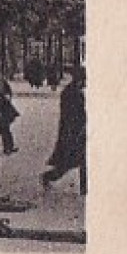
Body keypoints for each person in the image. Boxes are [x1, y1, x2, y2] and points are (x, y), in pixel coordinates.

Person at [42, 66, 85, 194]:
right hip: (72, 131)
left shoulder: (74, 91)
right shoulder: (71, 92)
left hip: (78, 130)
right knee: (70, 161)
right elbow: (70, 115)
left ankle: (84, 188)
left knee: (81, 160)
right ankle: (48, 177)